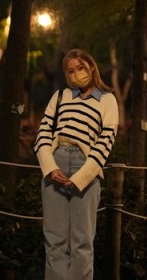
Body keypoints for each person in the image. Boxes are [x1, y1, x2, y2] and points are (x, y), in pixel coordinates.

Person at [34, 49, 119, 279]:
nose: (76, 74)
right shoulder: (61, 96)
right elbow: (43, 132)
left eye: (80, 68)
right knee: (54, 240)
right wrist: (50, 168)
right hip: (57, 162)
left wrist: (83, 176)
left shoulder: (107, 99)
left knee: (82, 242)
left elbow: (107, 139)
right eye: (70, 71)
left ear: (91, 66)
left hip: (86, 166)